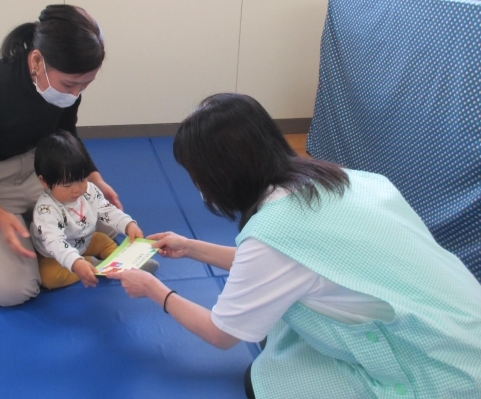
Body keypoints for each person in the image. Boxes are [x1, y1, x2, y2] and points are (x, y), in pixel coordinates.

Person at [108, 93, 481, 398]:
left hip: (441, 368)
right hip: (465, 318)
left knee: (262, 381)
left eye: (197, 176)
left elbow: (222, 334)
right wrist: (191, 247)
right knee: (279, 330)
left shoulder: (274, 231)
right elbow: (287, 262)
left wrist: (155, 290)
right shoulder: (348, 180)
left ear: (220, 175)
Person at [0, 4, 121, 306]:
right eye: (70, 84)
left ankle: (19, 221)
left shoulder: (66, 88)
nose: (75, 94)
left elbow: (66, 132)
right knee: (14, 291)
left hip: (37, 166)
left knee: (108, 222)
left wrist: (93, 177)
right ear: (36, 60)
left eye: (85, 84)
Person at [30, 130, 158, 290]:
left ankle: (132, 263)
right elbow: (55, 243)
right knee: (49, 278)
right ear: (44, 181)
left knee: (105, 242)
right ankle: (94, 264)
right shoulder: (46, 210)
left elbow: (107, 211)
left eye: (82, 180)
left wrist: (128, 225)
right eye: (67, 185)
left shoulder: (89, 190)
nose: (77, 190)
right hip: (52, 255)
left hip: (85, 240)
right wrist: (76, 263)